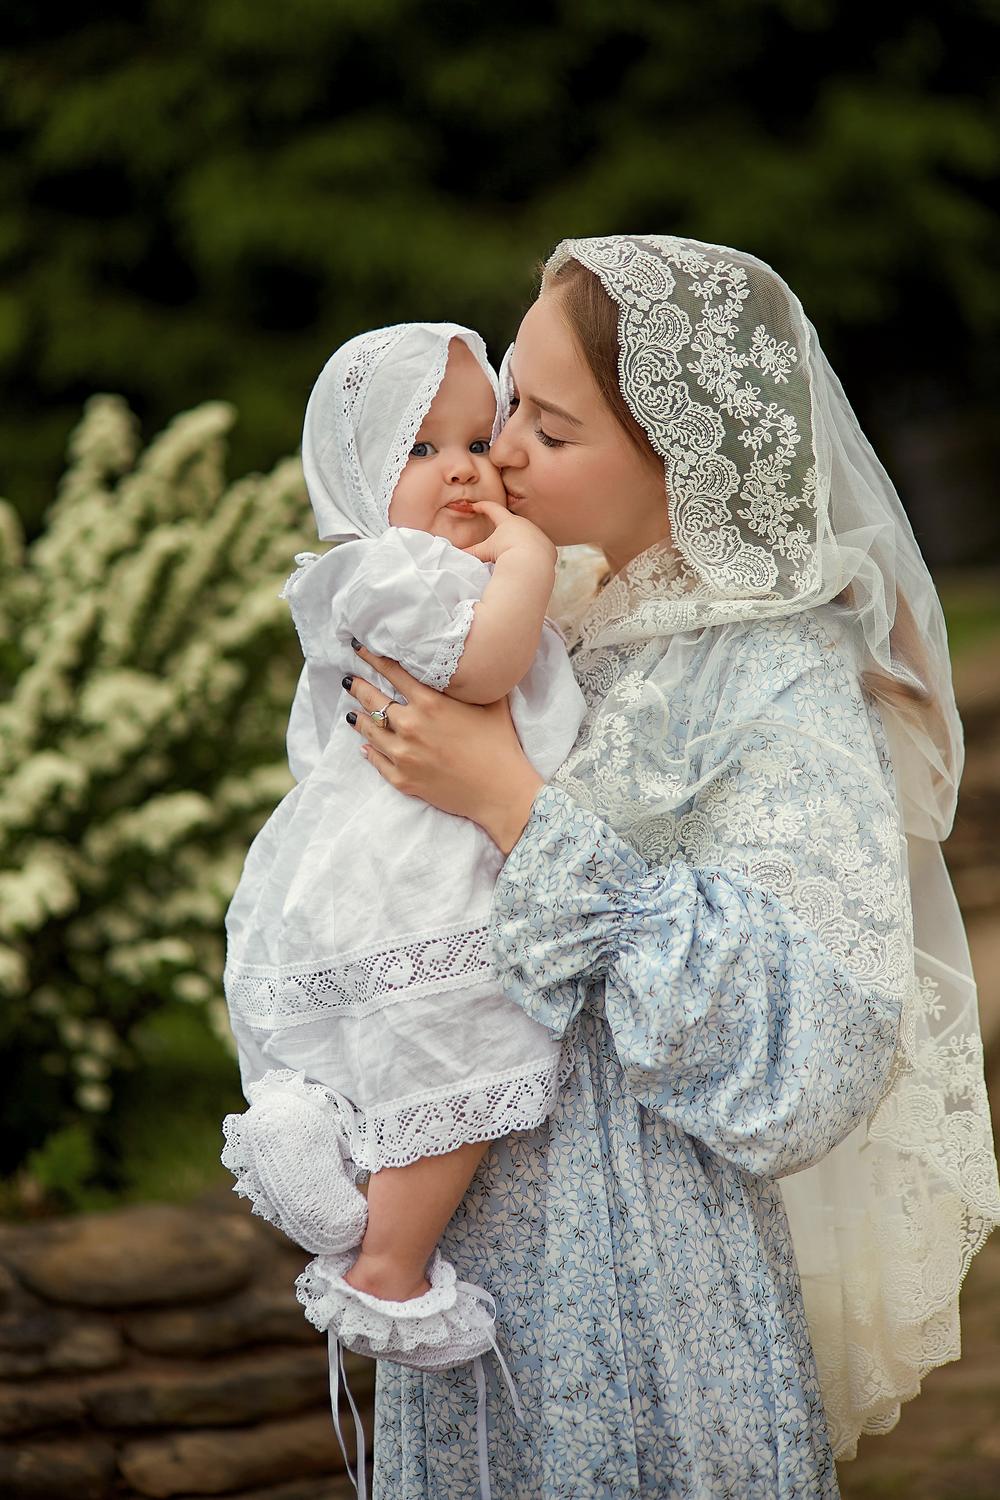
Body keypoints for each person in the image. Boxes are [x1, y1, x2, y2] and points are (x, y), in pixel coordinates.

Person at [340, 236, 1000, 1497]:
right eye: (513, 399)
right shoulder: (550, 626)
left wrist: (512, 803)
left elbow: (812, 1053)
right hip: (471, 1261)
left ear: (682, 464)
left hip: (641, 1274)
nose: (505, 449)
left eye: (553, 424)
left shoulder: (776, 675)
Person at [219, 322, 586, 1492]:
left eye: (478, 439)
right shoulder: (389, 568)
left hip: (387, 857)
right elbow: (481, 671)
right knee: (465, 1041)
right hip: (417, 868)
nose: (467, 467)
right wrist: (526, 559)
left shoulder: (408, 564)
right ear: (350, 473)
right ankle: (387, 1262)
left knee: (418, 1051)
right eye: (422, 447)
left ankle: (327, 1156)